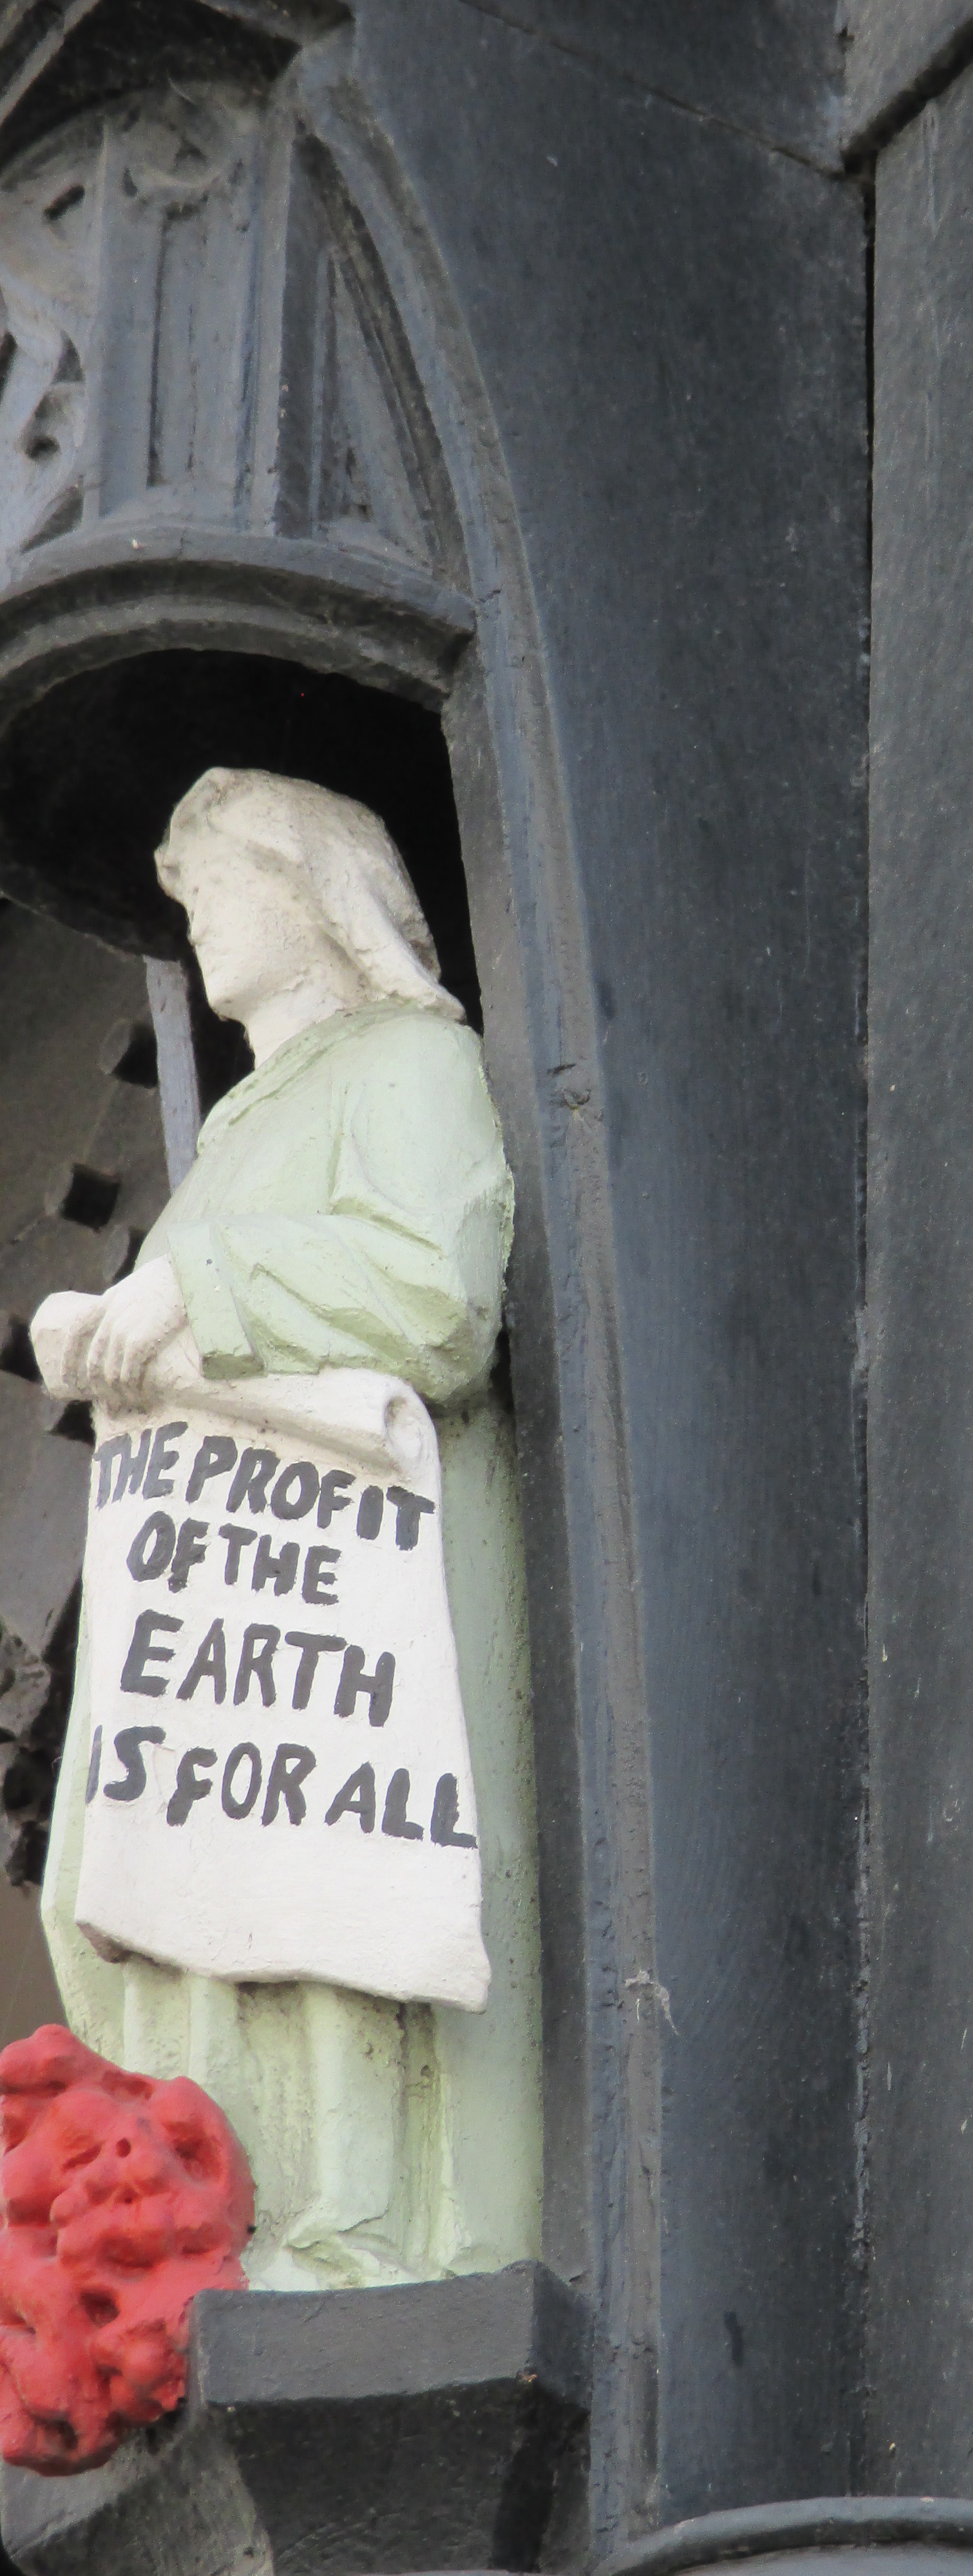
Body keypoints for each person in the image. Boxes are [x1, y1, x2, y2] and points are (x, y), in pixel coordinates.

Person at [36, 768, 539, 2289]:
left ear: (315, 892)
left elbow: (437, 1293)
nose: (196, 922)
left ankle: (355, 2231)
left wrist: (202, 1290)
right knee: (129, 1886)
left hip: (338, 1585)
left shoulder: (409, 1062)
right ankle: (200, 2218)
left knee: (321, 1886)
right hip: (211, 1587)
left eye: (218, 888)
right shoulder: (254, 1112)